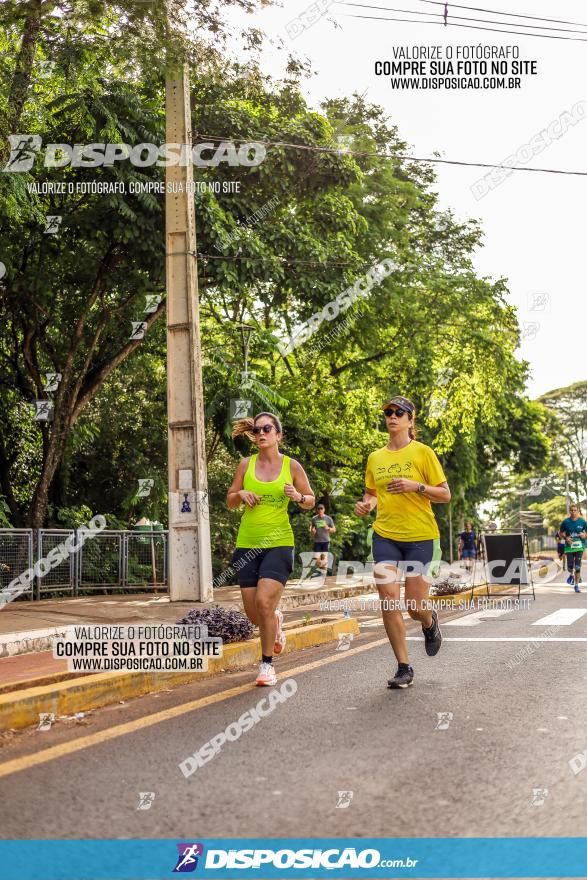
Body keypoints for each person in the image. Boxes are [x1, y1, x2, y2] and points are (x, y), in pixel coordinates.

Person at [354, 394, 451, 689]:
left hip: (422, 537)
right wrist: (367, 504)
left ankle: (428, 621)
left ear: (411, 420)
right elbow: (372, 492)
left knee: (414, 605)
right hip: (386, 536)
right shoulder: (375, 458)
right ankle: (403, 666)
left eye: (399, 412)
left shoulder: (423, 453)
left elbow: (444, 494)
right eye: (388, 412)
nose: (392, 416)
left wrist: (417, 486)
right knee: (387, 598)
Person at [227, 412, 315, 685]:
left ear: (278, 435)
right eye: (257, 430)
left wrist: (298, 496)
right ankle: (275, 620)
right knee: (255, 614)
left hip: (279, 543)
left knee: (264, 602)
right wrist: (240, 494)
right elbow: (230, 500)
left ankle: (266, 666)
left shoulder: (292, 467)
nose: (261, 433)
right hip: (247, 543)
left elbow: (310, 500)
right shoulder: (245, 465)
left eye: (267, 428)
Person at [558, 504, 587, 592]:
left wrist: (584, 535)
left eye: (575, 510)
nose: (573, 512)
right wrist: (566, 538)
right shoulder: (565, 522)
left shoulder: (583, 522)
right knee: (570, 566)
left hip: (580, 546)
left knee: (577, 566)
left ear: (578, 511)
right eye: (572, 510)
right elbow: (561, 533)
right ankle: (571, 574)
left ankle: (576, 585)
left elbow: (586, 534)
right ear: (569, 511)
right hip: (569, 547)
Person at [311, 503, 336, 574]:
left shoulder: (328, 519)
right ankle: (321, 570)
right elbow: (312, 532)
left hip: (325, 541)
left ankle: (323, 574)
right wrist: (313, 532)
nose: (320, 510)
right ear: (317, 510)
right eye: (318, 508)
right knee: (317, 560)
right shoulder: (314, 519)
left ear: (324, 510)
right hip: (317, 542)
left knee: (324, 559)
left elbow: (334, 530)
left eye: (321, 508)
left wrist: (328, 528)